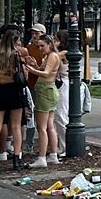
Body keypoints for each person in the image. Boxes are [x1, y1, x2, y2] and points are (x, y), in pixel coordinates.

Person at [0, 21, 28, 172]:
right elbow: (23, 75)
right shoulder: (16, 54)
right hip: (14, 90)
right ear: (14, 41)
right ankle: (16, 158)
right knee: (16, 126)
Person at [28, 34, 66, 166]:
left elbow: (46, 73)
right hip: (48, 90)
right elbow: (43, 70)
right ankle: (53, 154)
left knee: (42, 127)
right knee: (50, 125)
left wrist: (31, 70)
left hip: (46, 91)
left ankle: (42, 157)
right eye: (38, 46)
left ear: (50, 44)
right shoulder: (51, 56)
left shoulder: (52, 56)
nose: (40, 48)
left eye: (42, 46)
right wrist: (35, 65)